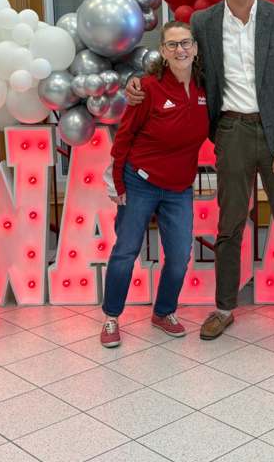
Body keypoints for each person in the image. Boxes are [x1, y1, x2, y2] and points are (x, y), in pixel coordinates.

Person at [127, 0, 274, 342]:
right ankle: (224, 307)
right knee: (230, 225)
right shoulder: (202, 24)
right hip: (231, 131)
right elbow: (180, 67)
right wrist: (140, 84)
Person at [99, 21, 208, 348]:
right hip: (139, 182)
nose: (180, 50)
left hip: (179, 188)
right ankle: (110, 318)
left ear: (195, 48)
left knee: (178, 256)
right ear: (162, 51)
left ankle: (163, 312)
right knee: (126, 251)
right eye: (172, 45)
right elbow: (124, 137)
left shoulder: (205, 89)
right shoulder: (147, 87)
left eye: (185, 43)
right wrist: (118, 182)